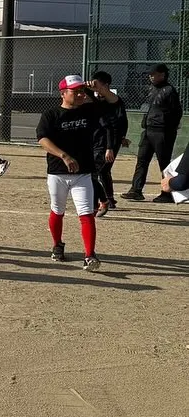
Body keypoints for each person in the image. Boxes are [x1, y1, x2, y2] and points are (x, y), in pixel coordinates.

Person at [36, 75, 114, 271]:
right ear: (63, 93)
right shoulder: (51, 114)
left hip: (83, 173)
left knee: (86, 213)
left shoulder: (89, 111)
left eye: (82, 91)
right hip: (57, 172)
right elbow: (42, 139)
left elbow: (113, 103)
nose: (80, 94)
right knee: (57, 211)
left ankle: (89, 255)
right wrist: (64, 156)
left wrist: (97, 89)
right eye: (75, 91)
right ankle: (57, 244)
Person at [122, 63, 182, 203]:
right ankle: (136, 190)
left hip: (162, 132)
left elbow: (176, 112)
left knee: (164, 163)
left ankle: (167, 193)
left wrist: (168, 128)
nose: (151, 76)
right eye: (150, 74)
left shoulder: (169, 90)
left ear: (162, 75)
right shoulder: (152, 89)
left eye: (154, 74)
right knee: (142, 160)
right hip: (148, 130)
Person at [89, 71, 129, 216]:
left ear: (106, 85)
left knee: (97, 172)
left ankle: (101, 202)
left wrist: (111, 146)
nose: (94, 87)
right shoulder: (98, 101)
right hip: (97, 140)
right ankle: (108, 200)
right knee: (102, 171)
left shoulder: (113, 101)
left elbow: (119, 123)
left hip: (108, 143)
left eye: (97, 84)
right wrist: (90, 87)